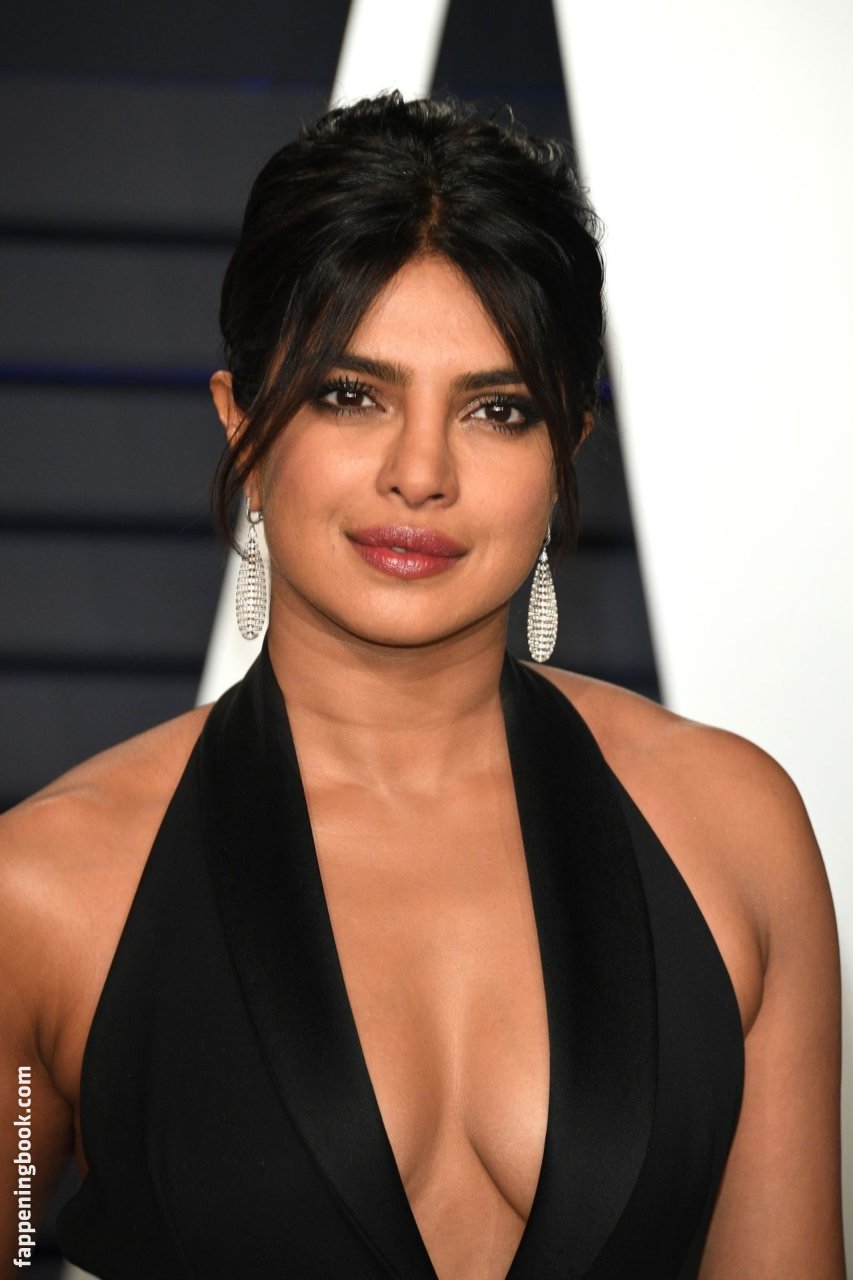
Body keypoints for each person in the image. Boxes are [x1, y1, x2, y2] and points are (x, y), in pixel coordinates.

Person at [0, 92, 844, 1280]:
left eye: (496, 410)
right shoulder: (44, 893)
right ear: (242, 422)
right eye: (352, 394)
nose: (420, 472)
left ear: (566, 450)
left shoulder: (734, 831)